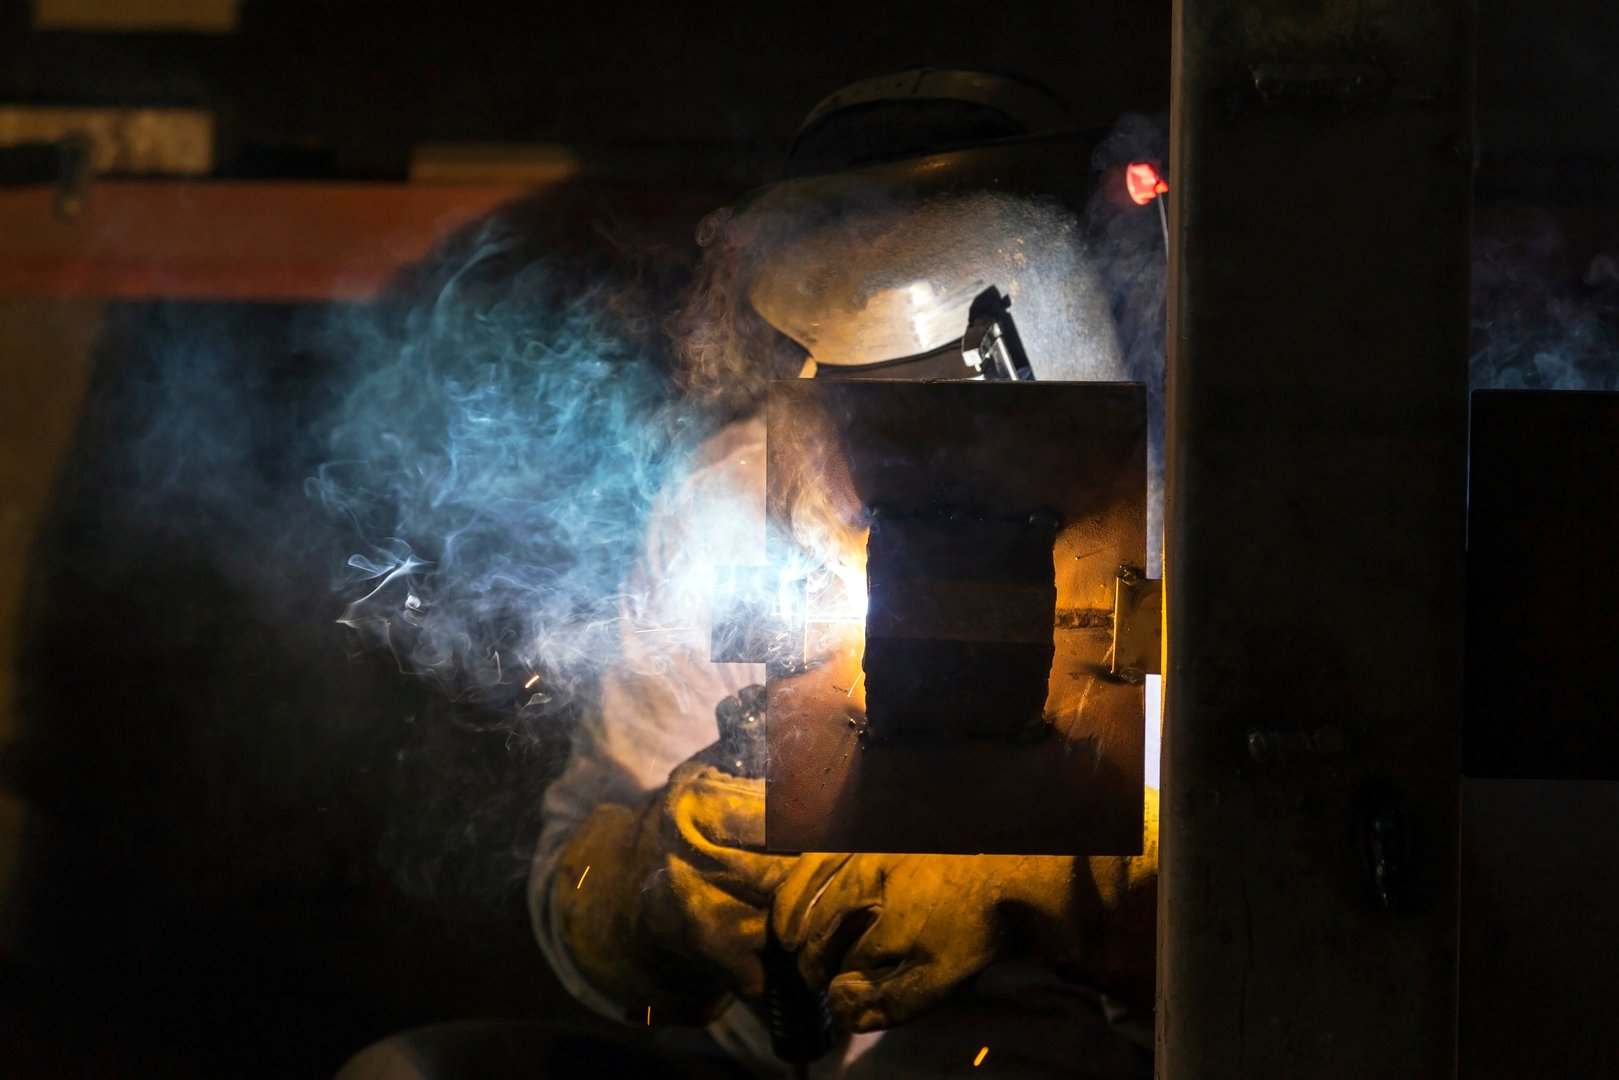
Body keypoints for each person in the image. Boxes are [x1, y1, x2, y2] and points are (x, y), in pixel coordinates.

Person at [532, 70, 1161, 1078]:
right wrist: (660, 886)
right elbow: (573, 899)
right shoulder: (736, 497)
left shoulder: (1215, 513)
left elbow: (1390, 906)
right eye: (866, 427)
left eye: (961, 436)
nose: (898, 483)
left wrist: (1096, 891)